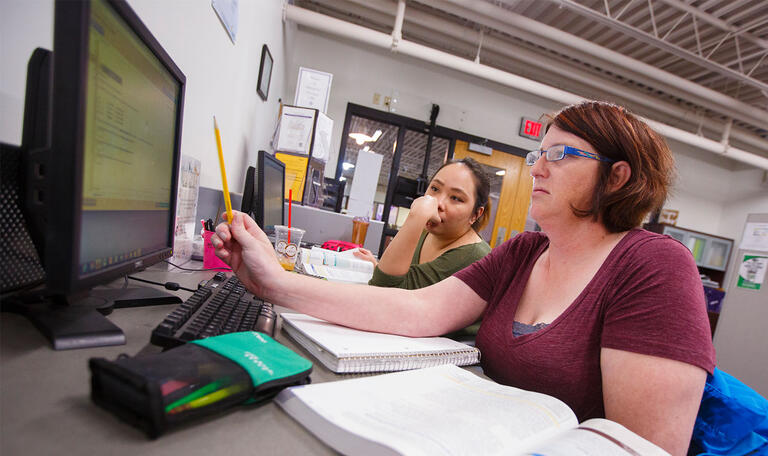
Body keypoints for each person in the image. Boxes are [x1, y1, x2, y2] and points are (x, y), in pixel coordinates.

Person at [213, 101, 715, 455]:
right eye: (538, 153)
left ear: (617, 177)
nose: (537, 168)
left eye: (560, 155)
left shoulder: (653, 266)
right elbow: (415, 309)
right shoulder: (522, 252)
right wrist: (273, 284)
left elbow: (642, 448)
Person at [353, 158, 491, 290]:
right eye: (435, 189)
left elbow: (385, 289)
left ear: (475, 214)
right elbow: (405, 280)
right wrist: (378, 267)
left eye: (455, 198)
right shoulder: (426, 231)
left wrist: (416, 217)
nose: (437, 202)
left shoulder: (475, 257)